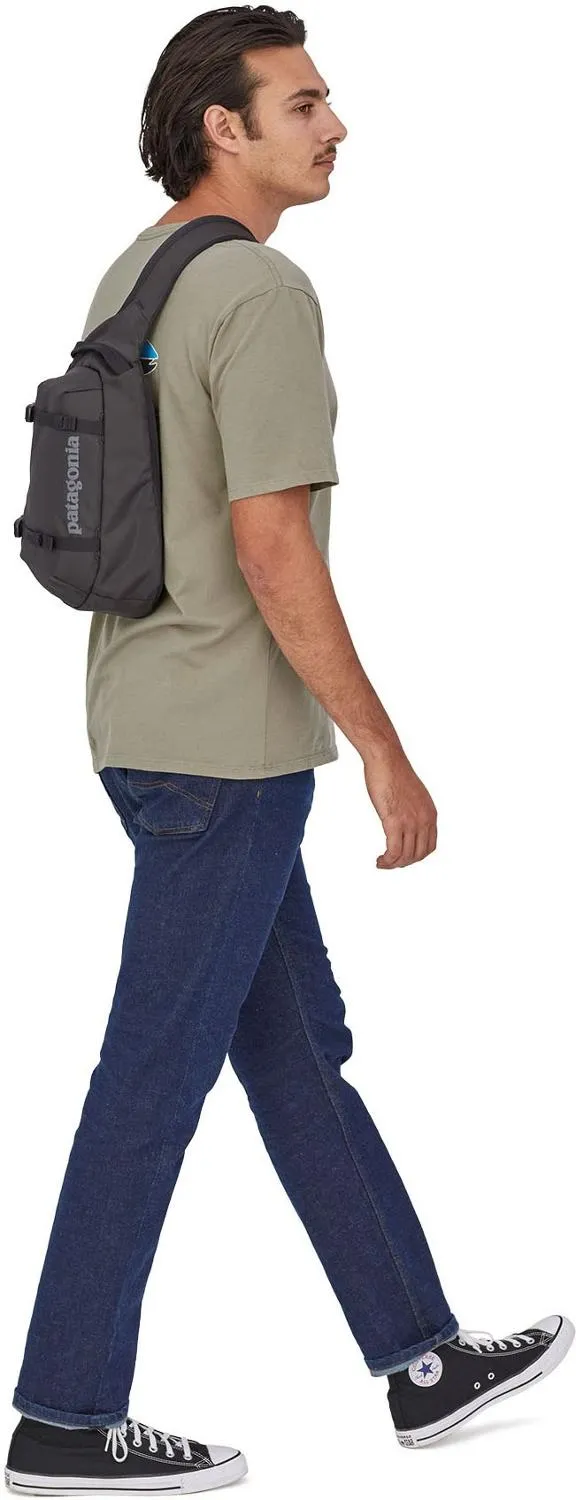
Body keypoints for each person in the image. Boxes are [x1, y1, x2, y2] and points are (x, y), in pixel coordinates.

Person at [6, 5, 573, 1491]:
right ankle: (63, 1416)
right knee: (153, 1077)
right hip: (227, 748)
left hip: (142, 722)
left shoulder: (136, 271)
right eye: (305, 102)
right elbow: (272, 547)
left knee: (295, 1052)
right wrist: (384, 748)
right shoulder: (259, 289)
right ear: (226, 126)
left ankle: (421, 1360)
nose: (337, 126)